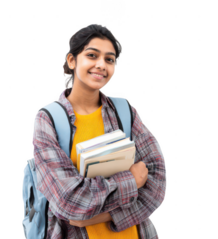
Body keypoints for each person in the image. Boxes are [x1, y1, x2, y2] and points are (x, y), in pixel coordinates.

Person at [32, 23, 166, 239]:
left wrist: (100, 216)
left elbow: (157, 181)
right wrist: (132, 181)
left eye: (109, 59)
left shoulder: (125, 112)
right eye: (92, 55)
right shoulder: (48, 120)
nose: (101, 65)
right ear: (72, 60)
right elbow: (69, 201)